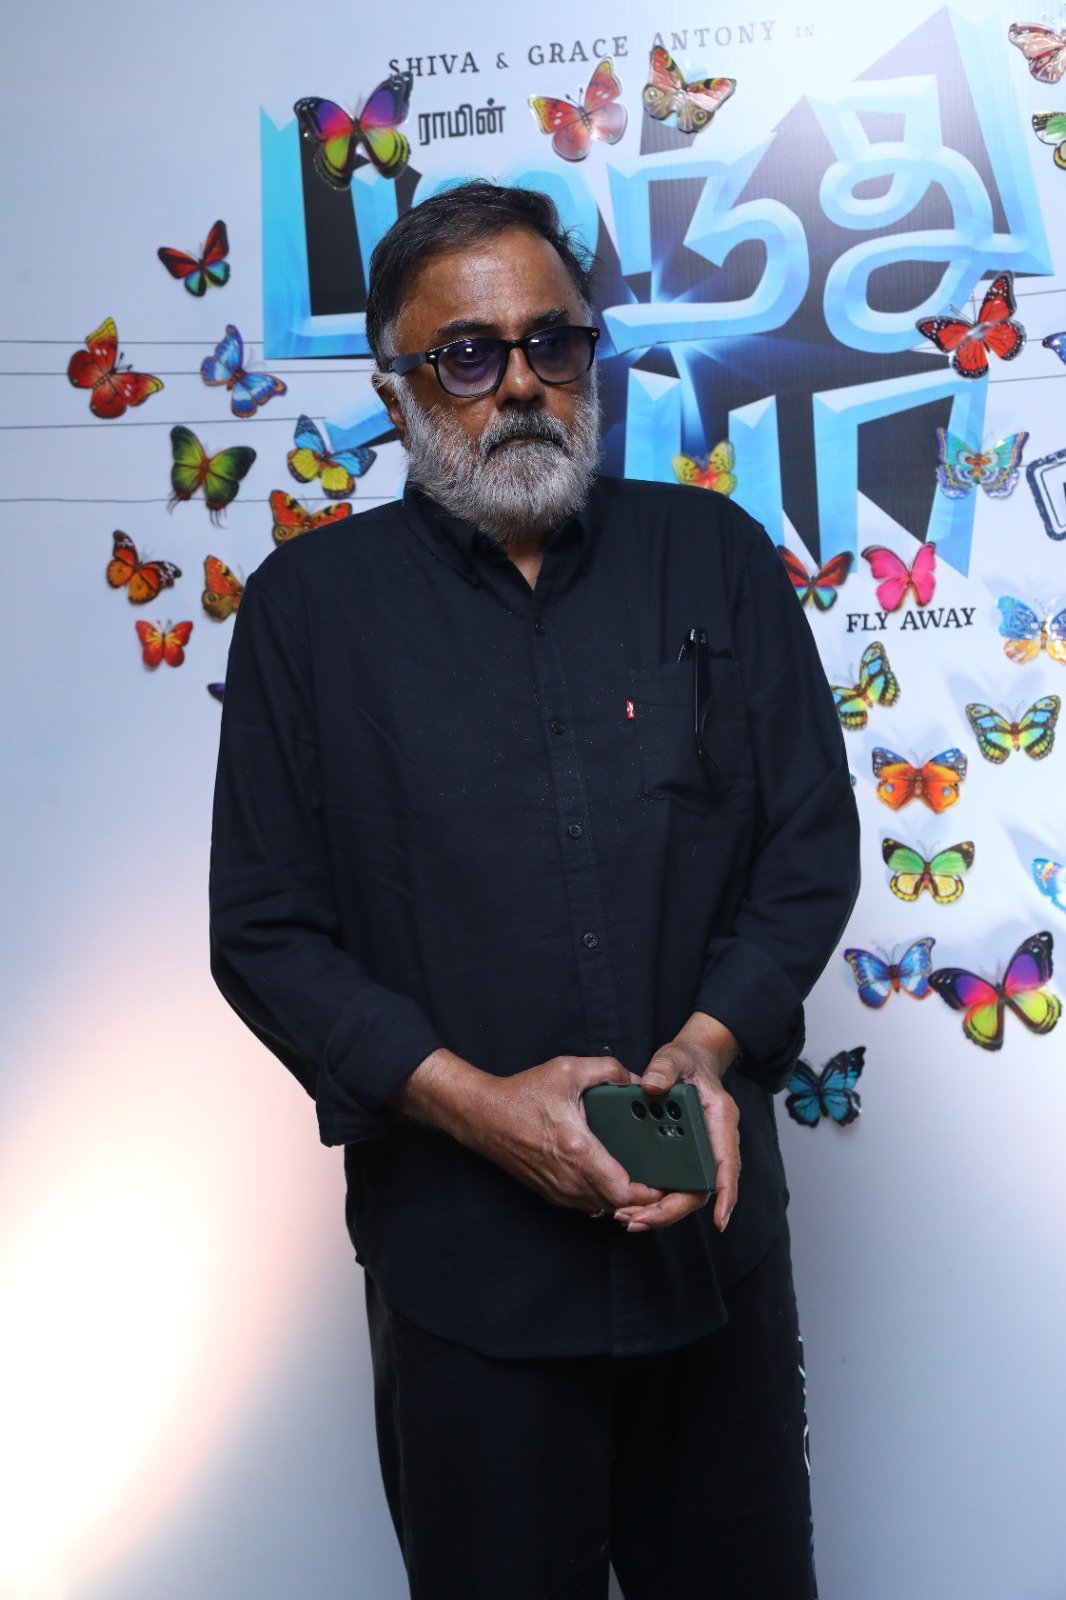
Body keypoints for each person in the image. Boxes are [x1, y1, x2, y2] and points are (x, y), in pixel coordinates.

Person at [209, 180, 860, 1600]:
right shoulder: (306, 614)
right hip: (466, 1290)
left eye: (550, 344)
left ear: (587, 358)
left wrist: (705, 1050)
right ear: (394, 386)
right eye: (466, 355)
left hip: (709, 1265)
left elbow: (807, 848)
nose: (518, 385)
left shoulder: (713, 557)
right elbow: (265, 932)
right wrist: (479, 1110)